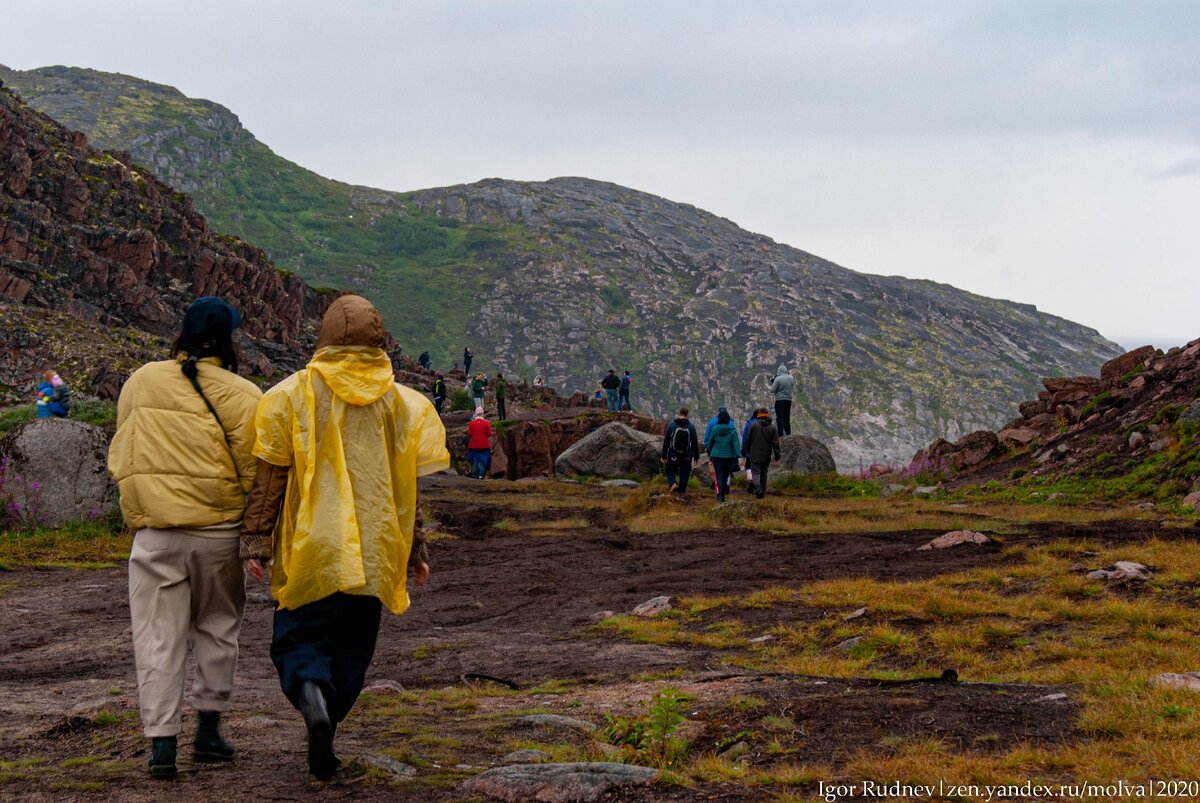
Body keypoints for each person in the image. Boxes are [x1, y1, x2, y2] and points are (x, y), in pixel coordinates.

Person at [240, 294, 449, 781]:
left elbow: (269, 478)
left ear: (325, 335)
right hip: (374, 550)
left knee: (298, 640)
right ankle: (327, 724)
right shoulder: (402, 403)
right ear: (379, 337)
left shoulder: (287, 395)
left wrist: (256, 541)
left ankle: (310, 694)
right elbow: (404, 488)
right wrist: (414, 549)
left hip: (312, 547)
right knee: (354, 649)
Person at [107, 297, 261, 780]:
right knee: (218, 625)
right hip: (218, 535)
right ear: (229, 339)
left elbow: (124, 448)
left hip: (154, 534)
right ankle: (209, 732)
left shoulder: (140, 381)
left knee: (157, 636)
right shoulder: (245, 396)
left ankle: (161, 744)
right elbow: (255, 475)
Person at [704, 408, 742, 503]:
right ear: (728, 419)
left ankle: (719, 495)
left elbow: (710, 442)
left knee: (718, 476)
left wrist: (708, 451)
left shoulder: (715, 429)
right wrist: (739, 457)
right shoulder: (732, 430)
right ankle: (723, 495)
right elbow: (736, 444)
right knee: (725, 476)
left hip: (716, 456)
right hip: (729, 457)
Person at [661, 407, 700, 493]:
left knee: (670, 469)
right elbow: (694, 443)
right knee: (685, 472)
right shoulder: (691, 427)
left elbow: (666, 441)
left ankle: (673, 484)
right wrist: (696, 456)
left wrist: (663, 455)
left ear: (679, 413)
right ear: (687, 415)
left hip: (673, 454)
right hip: (687, 455)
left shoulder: (671, 425)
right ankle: (681, 492)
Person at [745, 409, 781, 499]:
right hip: (766, 455)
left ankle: (758, 489)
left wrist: (748, 450)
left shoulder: (753, 425)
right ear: (767, 415)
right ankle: (762, 492)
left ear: (759, 415)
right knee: (764, 473)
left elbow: (748, 439)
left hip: (754, 454)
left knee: (755, 473)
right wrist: (777, 456)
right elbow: (776, 443)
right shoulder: (772, 428)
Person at [768, 365, 795, 437]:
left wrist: (773, 382)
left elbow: (772, 390)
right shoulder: (791, 378)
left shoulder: (778, 379)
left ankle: (780, 434)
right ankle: (788, 433)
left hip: (779, 400)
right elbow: (791, 387)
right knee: (787, 417)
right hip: (788, 400)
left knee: (780, 417)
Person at [466, 407, 493, 480]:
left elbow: (469, 434)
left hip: (474, 445)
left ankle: (474, 475)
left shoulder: (472, 423)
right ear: (483, 414)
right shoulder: (486, 423)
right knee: (483, 460)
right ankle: (481, 475)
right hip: (484, 445)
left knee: (475, 460)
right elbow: (489, 434)